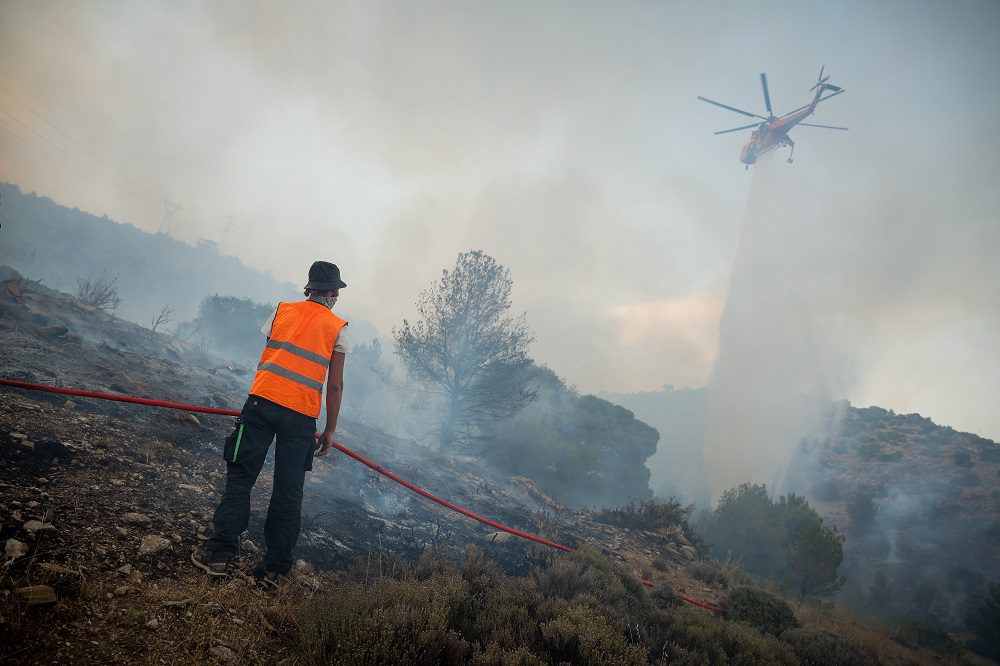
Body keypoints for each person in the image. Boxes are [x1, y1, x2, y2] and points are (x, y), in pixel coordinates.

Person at [192, 261, 350, 587]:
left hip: (262, 403)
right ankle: (276, 571)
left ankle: (219, 556)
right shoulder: (339, 327)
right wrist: (330, 430)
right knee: (288, 492)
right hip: (301, 417)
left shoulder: (281, 310)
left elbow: (269, 355)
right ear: (332, 292)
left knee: (241, 479)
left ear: (309, 288)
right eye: (336, 290)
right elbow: (335, 386)